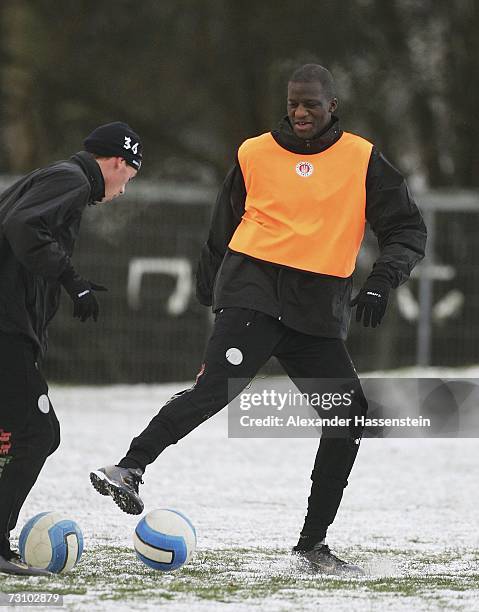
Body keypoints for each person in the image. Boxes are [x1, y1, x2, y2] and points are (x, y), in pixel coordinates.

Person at [90, 64, 426, 574]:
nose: (300, 112)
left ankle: (312, 547)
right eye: (293, 103)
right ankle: (129, 467)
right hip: (254, 293)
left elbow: (407, 229)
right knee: (215, 390)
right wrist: (211, 290)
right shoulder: (254, 152)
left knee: (347, 416)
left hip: (317, 309)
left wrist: (381, 281)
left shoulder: (362, 159)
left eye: (311, 103)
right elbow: (221, 226)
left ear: (332, 105)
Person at [0, 122, 142, 575]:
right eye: (130, 177)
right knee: (39, 433)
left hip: (12, 327)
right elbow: (22, 225)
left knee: (12, 435)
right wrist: (70, 279)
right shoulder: (72, 180)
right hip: (4, 329)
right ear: (118, 162)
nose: (124, 190)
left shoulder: (58, 178)